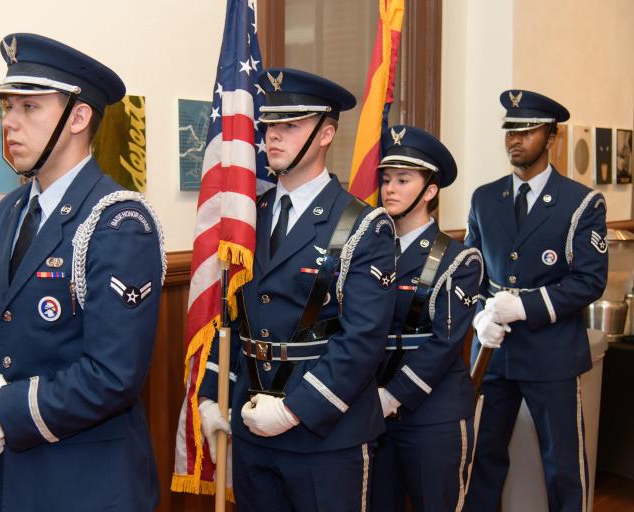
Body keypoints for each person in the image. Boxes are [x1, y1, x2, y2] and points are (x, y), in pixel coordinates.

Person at [0, 33, 165, 511]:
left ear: (78, 117)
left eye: (29, 107)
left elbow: (113, 376)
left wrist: (8, 408)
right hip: (20, 471)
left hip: (89, 481)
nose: (9, 122)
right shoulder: (11, 211)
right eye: (8, 106)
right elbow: (10, 338)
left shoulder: (118, 221)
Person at [198, 67, 397, 511]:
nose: (274, 137)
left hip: (325, 436)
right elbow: (233, 314)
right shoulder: (250, 216)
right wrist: (213, 395)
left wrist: (294, 409)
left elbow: (363, 340)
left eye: (291, 126)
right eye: (270, 125)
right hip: (250, 426)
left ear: (326, 134)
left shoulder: (363, 226)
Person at [465, 90, 608, 511]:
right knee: (482, 459)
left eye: (527, 130)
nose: (516, 138)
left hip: (552, 353)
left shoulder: (581, 202)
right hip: (493, 353)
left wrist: (525, 306)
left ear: (551, 137)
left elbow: (590, 281)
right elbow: (471, 274)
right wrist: (477, 318)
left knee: (562, 465)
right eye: (510, 129)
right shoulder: (484, 198)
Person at [370, 125, 483, 511]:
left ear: (430, 191)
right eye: (386, 179)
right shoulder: (369, 253)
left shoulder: (459, 259)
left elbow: (443, 343)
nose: (390, 189)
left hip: (433, 416)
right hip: (372, 412)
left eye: (403, 180)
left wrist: (393, 395)